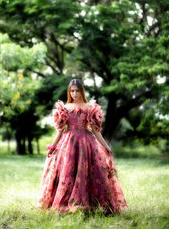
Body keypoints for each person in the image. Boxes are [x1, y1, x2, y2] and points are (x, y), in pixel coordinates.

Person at [37, 79, 127, 214]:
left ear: (82, 91)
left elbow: (96, 131)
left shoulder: (89, 108)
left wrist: (105, 146)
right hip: (69, 143)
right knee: (67, 171)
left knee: (89, 171)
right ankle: (67, 202)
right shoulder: (65, 108)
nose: (74, 93)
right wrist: (53, 146)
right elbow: (60, 130)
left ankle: (92, 204)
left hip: (86, 143)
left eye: (77, 90)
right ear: (69, 92)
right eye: (71, 91)